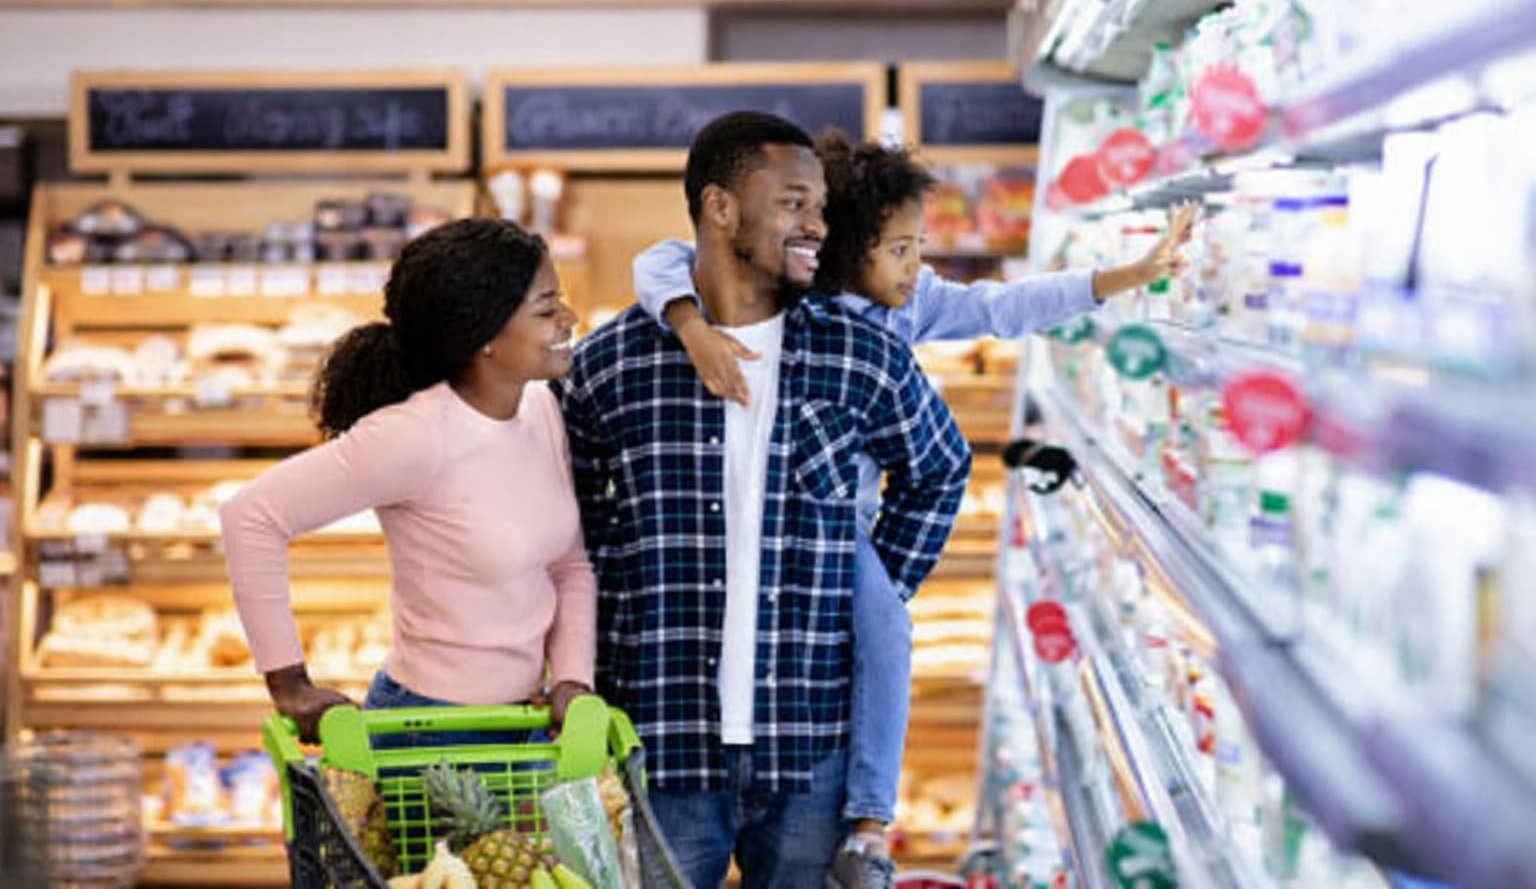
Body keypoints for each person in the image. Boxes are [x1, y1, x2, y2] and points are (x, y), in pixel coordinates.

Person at [631, 132, 1194, 884]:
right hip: (758, 530)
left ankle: (868, 820)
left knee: (886, 628)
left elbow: (1005, 307)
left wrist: (1124, 275)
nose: (916, 268)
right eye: (899, 249)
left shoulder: (911, 305)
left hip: (841, 533)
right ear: (840, 251)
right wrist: (689, 323)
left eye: (917, 247)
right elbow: (661, 260)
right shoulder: (795, 296)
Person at [558, 112, 971, 888]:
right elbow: (571, 526)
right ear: (720, 208)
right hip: (658, 736)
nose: (818, 224)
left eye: (818, 205)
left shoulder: (859, 351)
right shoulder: (612, 364)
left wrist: (867, 590)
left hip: (810, 743)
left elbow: (939, 470)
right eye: (792, 203)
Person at [221, 218, 594, 746]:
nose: (568, 318)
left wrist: (572, 683)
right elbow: (250, 516)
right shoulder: (415, 435)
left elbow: (569, 566)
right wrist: (289, 685)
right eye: (546, 308)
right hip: (427, 733)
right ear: (485, 336)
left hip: (525, 726)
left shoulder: (539, 412)